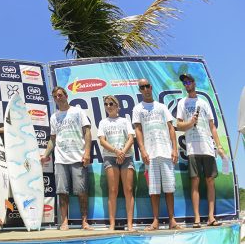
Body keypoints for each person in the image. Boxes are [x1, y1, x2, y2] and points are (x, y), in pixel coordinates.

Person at [176, 73, 226, 227]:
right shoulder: (181, 103)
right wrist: (190, 122)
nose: (187, 84)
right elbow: (178, 125)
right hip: (192, 148)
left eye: (189, 81)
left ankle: (211, 217)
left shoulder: (204, 102)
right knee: (195, 181)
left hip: (207, 147)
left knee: (210, 181)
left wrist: (219, 146)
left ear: (194, 83)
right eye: (185, 82)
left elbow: (212, 126)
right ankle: (197, 218)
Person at [41, 86, 92, 230]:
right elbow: (53, 139)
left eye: (60, 95)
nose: (58, 98)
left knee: (82, 191)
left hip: (78, 158)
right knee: (62, 192)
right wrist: (45, 155)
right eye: (55, 96)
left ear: (66, 95)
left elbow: (87, 132)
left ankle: (84, 221)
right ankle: (64, 222)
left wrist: (87, 153)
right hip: (61, 160)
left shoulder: (78, 111)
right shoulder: (54, 117)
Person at [132, 78, 181, 231]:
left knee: (169, 188)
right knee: (153, 190)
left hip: (166, 152)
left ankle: (172, 220)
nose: (145, 89)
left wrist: (175, 149)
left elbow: (171, 128)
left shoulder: (162, 107)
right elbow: (138, 130)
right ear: (139, 90)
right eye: (142, 87)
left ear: (151, 87)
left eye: (147, 86)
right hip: (150, 154)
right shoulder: (137, 109)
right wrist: (142, 150)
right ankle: (155, 221)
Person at [97, 95, 136, 231]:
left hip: (126, 156)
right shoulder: (103, 122)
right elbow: (102, 141)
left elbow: (131, 138)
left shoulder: (125, 121)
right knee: (112, 190)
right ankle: (112, 224)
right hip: (110, 157)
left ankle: (130, 224)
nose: (108, 106)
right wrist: (116, 151)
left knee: (128, 190)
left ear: (117, 105)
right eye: (106, 104)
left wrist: (122, 152)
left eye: (111, 104)